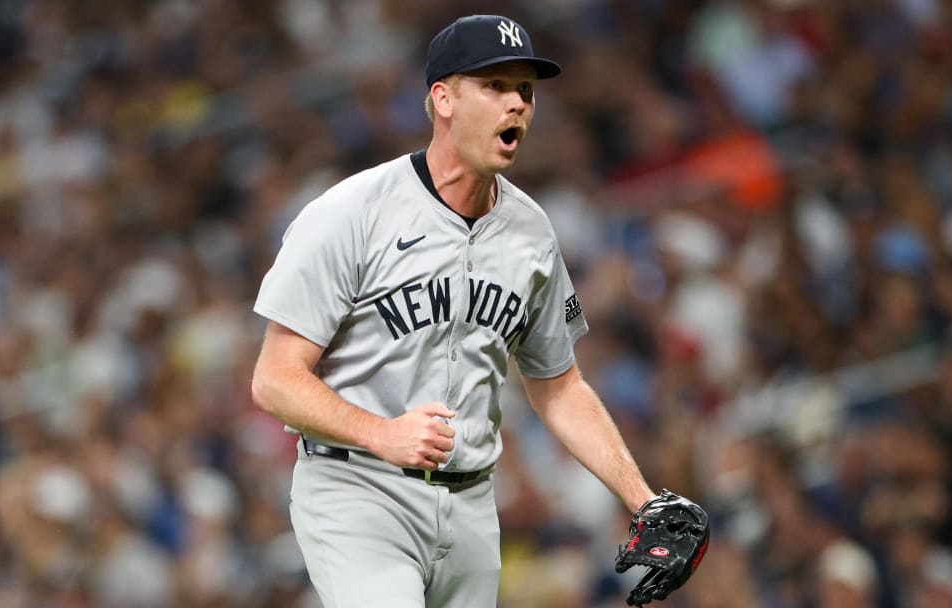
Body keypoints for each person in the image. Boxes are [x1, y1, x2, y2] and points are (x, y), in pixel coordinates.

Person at [251, 14, 661, 607]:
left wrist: (642, 498)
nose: (516, 103)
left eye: (525, 89)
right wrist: (382, 434)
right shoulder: (352, 213)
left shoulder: (532, 233)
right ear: (443, 98)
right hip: (358, 488)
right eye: (495, 86)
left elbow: (559, 386)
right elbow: (274, 379)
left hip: (472, 506)